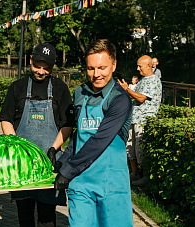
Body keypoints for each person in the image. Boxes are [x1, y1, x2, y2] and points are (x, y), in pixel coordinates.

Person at [54, 39, 133, 226]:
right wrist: (63, 161)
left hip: (111, 185)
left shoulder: (120, 99)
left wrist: (67, 170)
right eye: (91, 69)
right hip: (81, 183)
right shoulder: (80, 92)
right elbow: (80, 133)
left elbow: (99, 140)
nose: (96, 74)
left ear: (114, 65)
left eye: (102, 68)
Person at [0, 43, 75, 227]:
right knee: (24, 215)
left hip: (49, 164)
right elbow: (6, 119)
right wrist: (16, 146)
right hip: (21, 164)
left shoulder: (60, 88)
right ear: (30, 60)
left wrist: (53, 148)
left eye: (46, 68)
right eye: (37, 66)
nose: (41, 71)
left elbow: (68, 124)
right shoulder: (17, 87)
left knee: (47, 217)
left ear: (53, 65)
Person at [118, 55, 162, 186]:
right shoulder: (143, 80)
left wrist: (127, 90)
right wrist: (127, 87)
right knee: (130, 147)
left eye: (140, 66)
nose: (137, 69)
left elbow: (141, 98)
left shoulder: (154, 80)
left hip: (143, 120)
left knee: (140, 150)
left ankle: (145, 177)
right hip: (134, 118)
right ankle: (134, 173)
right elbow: (134, 92)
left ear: (149, 66)